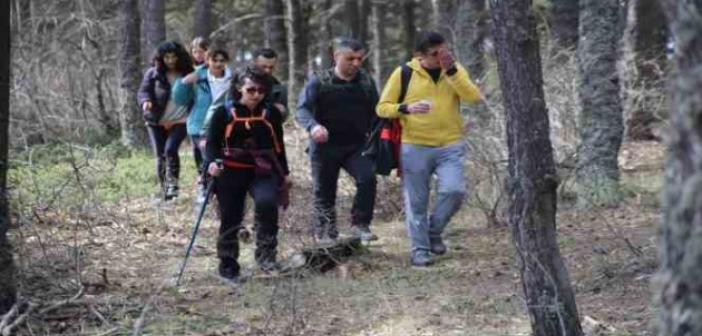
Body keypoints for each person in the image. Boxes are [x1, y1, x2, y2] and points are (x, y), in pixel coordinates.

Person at [377, 31, 481, 266]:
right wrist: (406, 108)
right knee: (416, 202)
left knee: (455, 191)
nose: (442, 57)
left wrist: (452, 71)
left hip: (450, 144)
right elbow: (382, 108)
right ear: (420, 56)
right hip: (415, 145)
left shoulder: (453, 69)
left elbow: (473, 97)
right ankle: (420, 250)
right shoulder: (403, 73)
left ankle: (434, 231)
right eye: (435, 54)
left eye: (445, 51)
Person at [204, 65, 291, 281]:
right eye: (251, 89)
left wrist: (285, 173)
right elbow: (212, 144)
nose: (257, 95)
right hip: (230, 171)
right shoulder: (223, 113)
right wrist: (212, 164)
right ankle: (228, 265)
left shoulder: (270, 113)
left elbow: (278, 145)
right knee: (231, 217)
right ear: (239, 88)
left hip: (261, 170)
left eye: (261, 90)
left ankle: (266, 256)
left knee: (267, 203)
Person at [296, 37, 379, 243]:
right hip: (325, 146)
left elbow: (377, 112)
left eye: (360, 59)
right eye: (350, 58)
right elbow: (302, 109)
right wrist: (313, 126)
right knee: (324, 190)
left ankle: (360, 225)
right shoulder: (319, 81)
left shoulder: (366, 82)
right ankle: (325, 233)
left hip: (356, 144)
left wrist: (378, 137)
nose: (356, 63)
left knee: (367, 177)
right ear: (336, 57)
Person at [173, 47, 233, 203]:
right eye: (215, 60)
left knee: (219, 157)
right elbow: (179, 99)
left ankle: (216, 189)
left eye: (222, 60)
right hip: (200, 124)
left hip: (224, 124)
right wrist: (184, 82)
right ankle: (205, 189)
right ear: (208, 60)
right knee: (206, 156)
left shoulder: (232, 78)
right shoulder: (198, 75)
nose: (218, 64)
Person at [137, 40, 194, 200]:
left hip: (180, 119)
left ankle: (173, 185)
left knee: (170, 149)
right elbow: (143, 91)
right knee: (161, 155)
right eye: (166, 57)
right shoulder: (153, 73)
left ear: (179, 57)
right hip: (156, 120)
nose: (170, 61)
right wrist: (145, 102)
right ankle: (165, 190)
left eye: (173, 57)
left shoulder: (188, 72)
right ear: (161, 58)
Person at [252, 47, 289, 120]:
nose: (267, 71)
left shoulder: (279, 89)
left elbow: (283, 117)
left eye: (271, 67)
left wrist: (283, 111)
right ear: (255, 64)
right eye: (263, 66)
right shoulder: (241, 84)